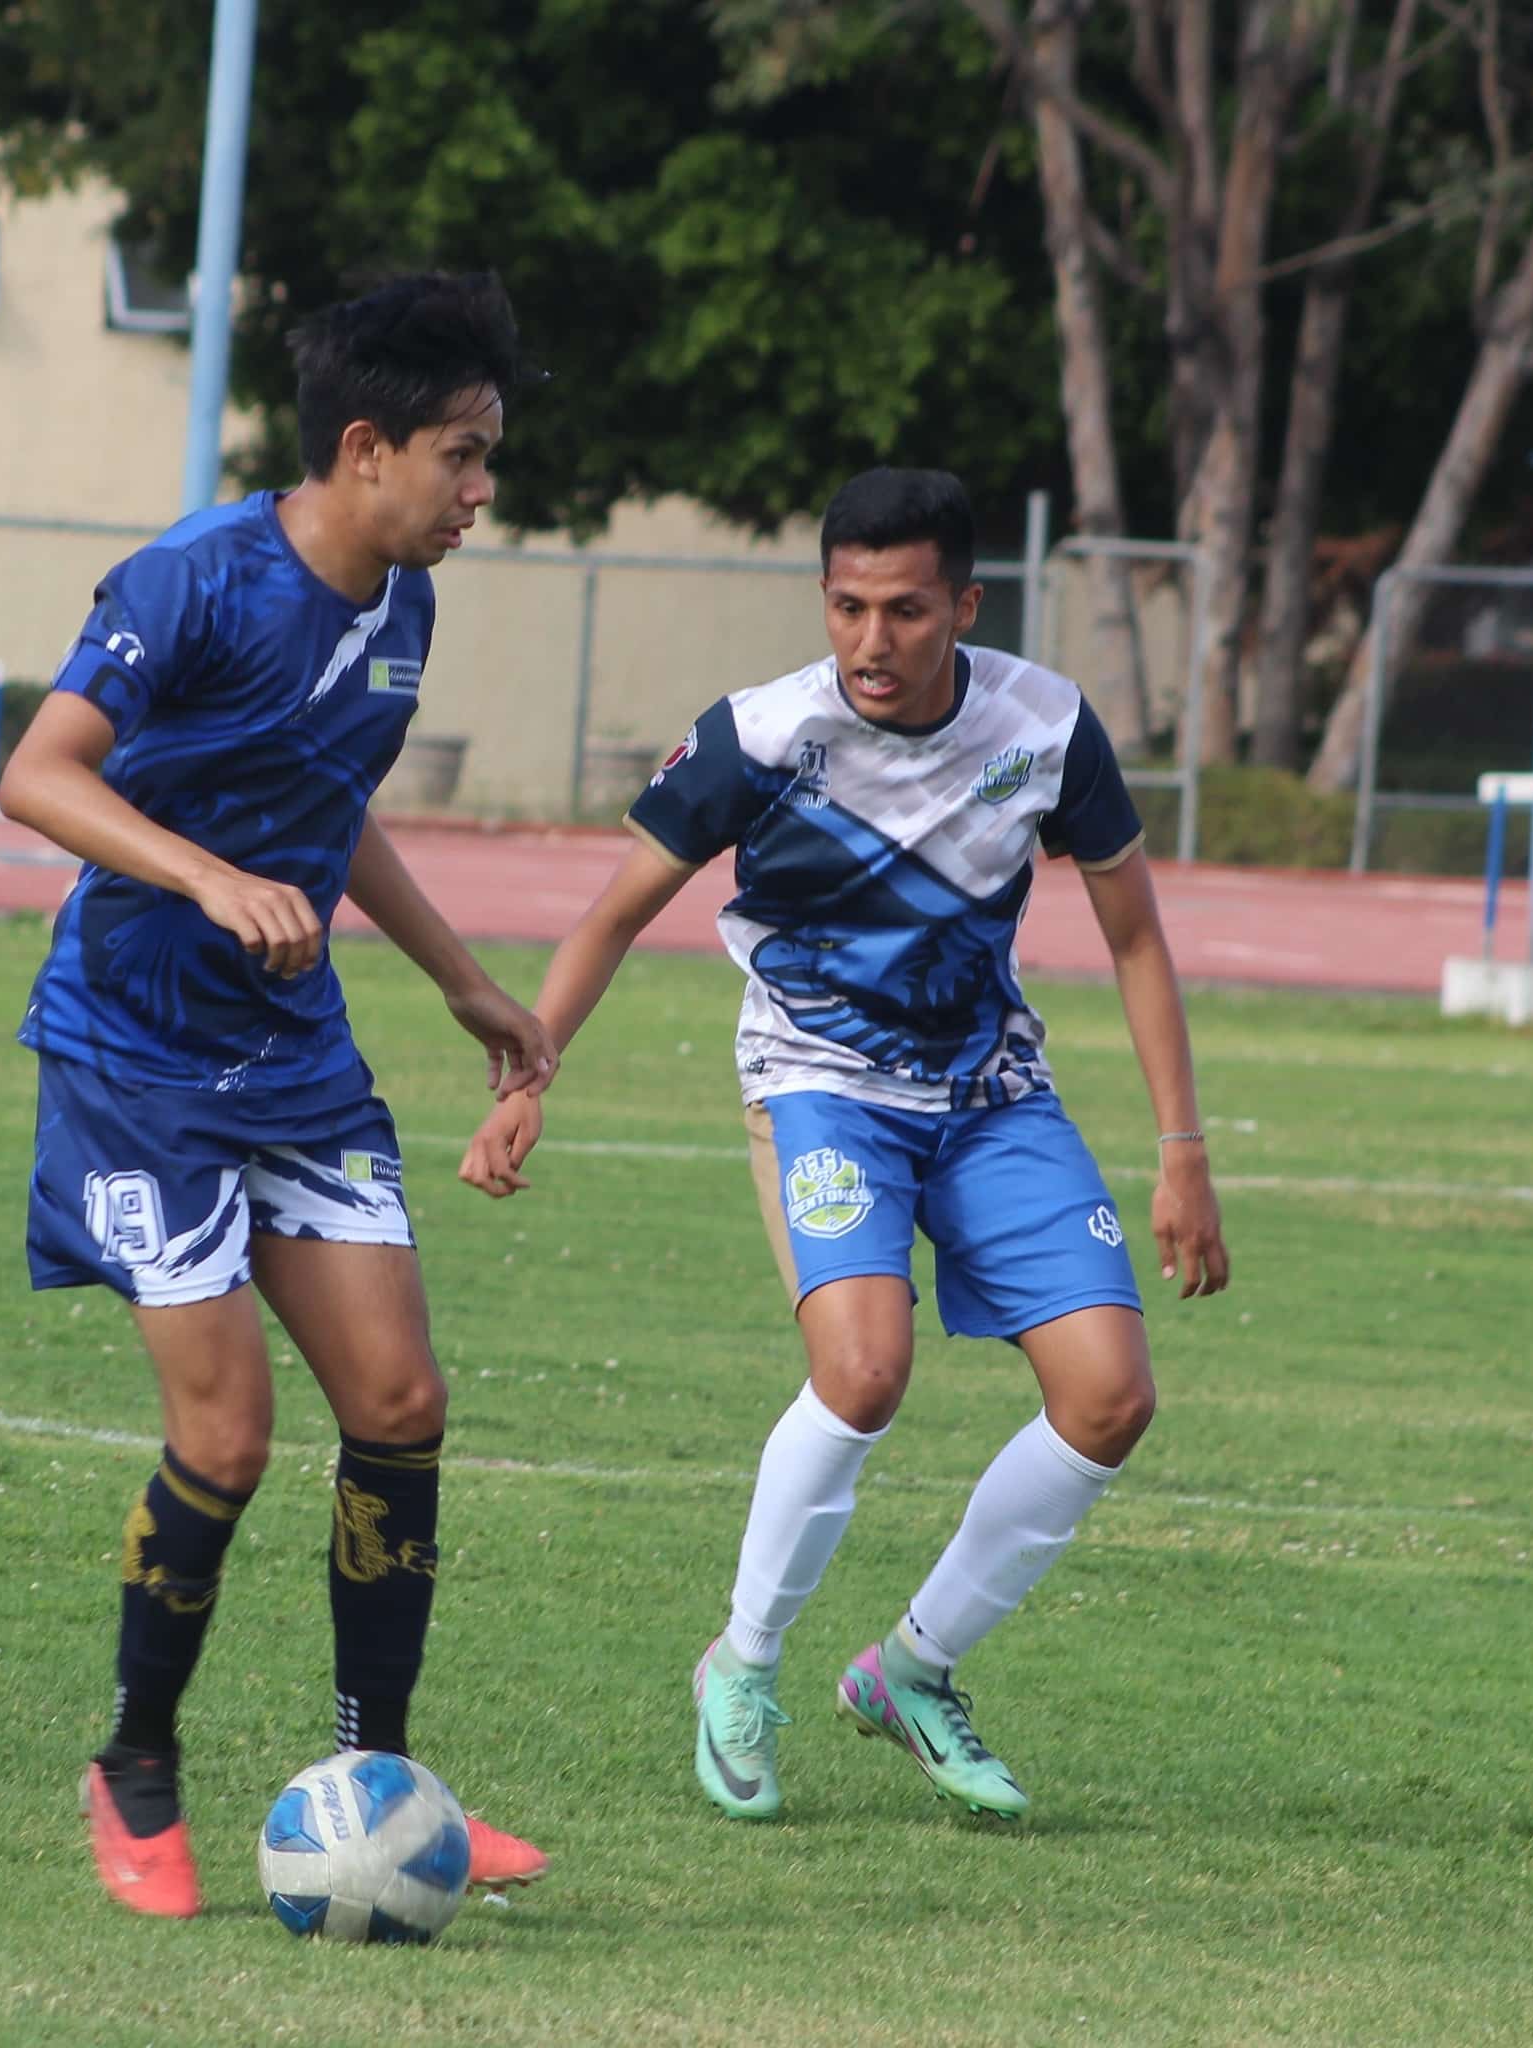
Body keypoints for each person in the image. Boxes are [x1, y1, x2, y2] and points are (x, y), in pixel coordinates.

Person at [460, 466, 1229, 1823]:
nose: (872, 640)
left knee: (1110, 1397)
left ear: (965, 608)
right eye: (847, 607)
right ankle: (742, 1664)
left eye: (905, 610)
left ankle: (911, 1670)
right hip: (818, 1085)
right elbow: (614, 912)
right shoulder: (759, 738)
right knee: (863, 1371)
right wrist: (532, 1074)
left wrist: (1183, 1151)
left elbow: (1134, 939)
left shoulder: (1045, 726)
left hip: (990, 1094)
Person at [0, 271, 556, 1916]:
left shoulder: (404, 604)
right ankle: (134, 1766)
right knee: (227, 1435)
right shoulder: (194, 579)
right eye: (461, 455)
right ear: (365, 447)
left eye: (488, 456)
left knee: (398, 1402)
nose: (480, 491)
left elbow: (332, 802)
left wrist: (457, 975)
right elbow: (37, 773)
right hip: (135, 1063)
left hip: (295, 1061)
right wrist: (204, 875)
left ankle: (379, 1783)